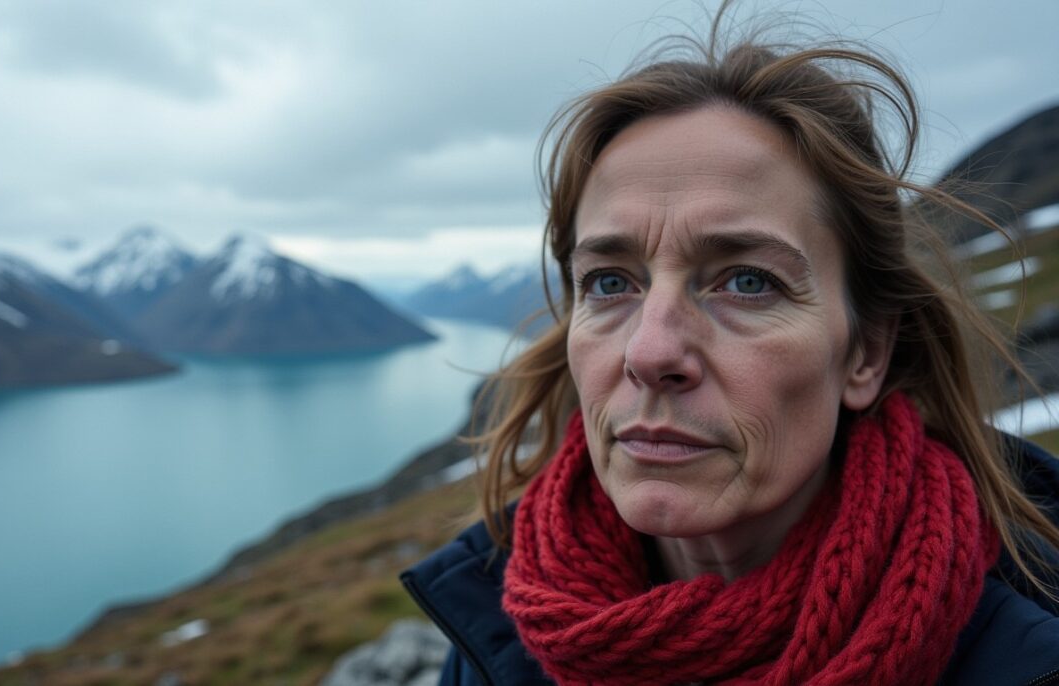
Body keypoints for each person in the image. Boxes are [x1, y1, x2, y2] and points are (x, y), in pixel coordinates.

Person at [400, 10, 1059, 686]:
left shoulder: (1025, 659)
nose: (650, 352)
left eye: (747, 283)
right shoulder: (503, 621)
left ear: (866, 351)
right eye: (609, 282)